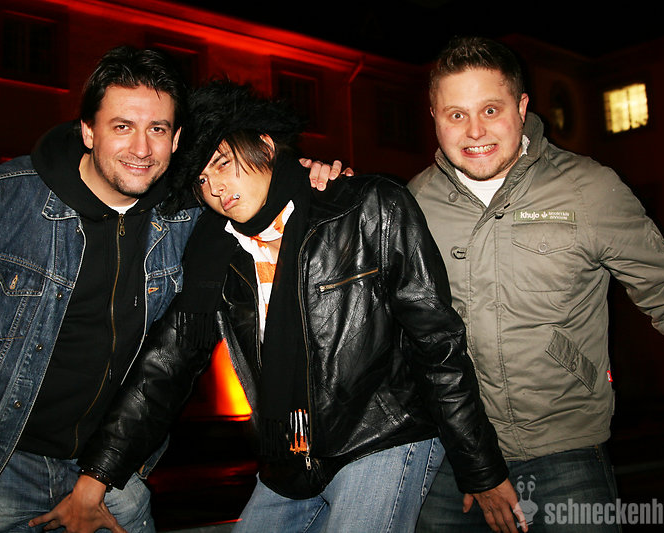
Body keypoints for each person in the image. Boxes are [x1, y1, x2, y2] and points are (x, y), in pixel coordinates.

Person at [37, 80, 528, 533]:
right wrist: (96, 477)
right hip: (289, 458)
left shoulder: (366, 206)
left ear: (267, 146)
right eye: (202, 179)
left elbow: (437, 344)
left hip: (383, 438)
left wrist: (480, 469)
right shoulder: (218, 255)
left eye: (223, 163)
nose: (216, 189)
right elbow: (164, 367)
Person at [0, 45, 340, 533]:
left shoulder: (189, 218)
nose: (141, 149)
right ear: (88, 130)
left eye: (157, 129)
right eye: (122, 126)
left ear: (176, 139)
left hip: (114, 475)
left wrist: (307, 175)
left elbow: (262, 195)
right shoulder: (2, 200)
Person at [408, 36, 664, 531]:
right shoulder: (412, 205)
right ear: (434, 117)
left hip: (565, 453)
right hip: (452, 461)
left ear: (521, 107)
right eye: (456, 114)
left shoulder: (588, 189)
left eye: (491, 109)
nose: (475, 130)